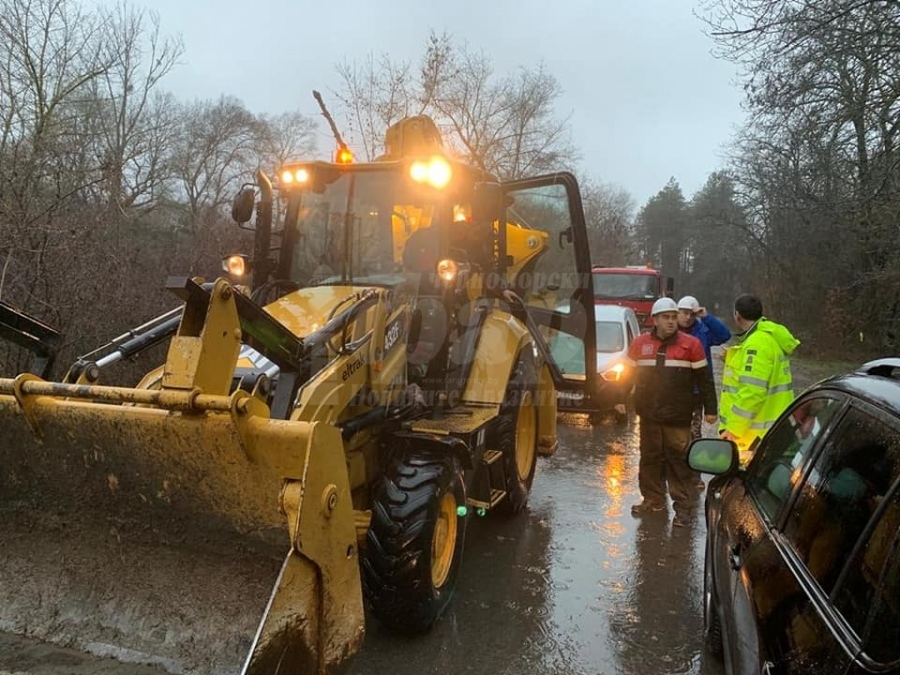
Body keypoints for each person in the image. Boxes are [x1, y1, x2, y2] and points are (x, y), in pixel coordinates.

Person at [627, 297, 718, 527]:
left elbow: (705, 380)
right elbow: (627, 377)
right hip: (649, 415)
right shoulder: (640, 344)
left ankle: (684, 509)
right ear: (655, 320)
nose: (671, 321)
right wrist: (619, 400)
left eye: (673, 317)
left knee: (679, 462)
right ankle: (653, 499)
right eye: (665, 317)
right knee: (649, 459)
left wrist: (711, 409)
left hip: (678, 416)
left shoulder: (691, 345)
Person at [719, 293, 800, 464]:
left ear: (737, 315)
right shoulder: (768, 336)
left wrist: (733, 429)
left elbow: (753, 391)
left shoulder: (756, 344)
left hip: (757, 436)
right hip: (775, 426)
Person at [677, 295, 731, 441]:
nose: (687, 317)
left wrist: (707, 318)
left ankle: (690, 457)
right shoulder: (670, 332)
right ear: (677, 313)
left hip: (696, 390)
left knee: (694, 430)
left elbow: (724, 335)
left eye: (691, 314)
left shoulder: (703, 331)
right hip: (674, 390)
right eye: (684, 313)